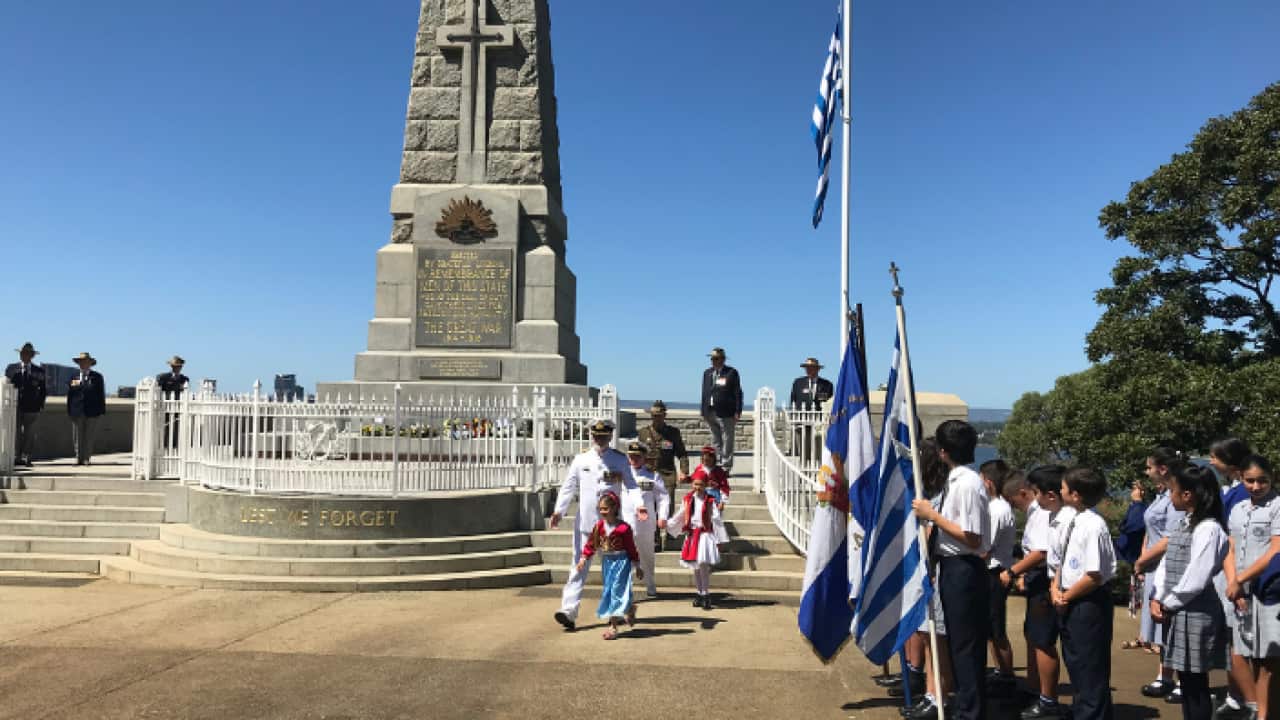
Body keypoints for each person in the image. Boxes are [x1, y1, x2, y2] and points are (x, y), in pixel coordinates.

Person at [911, 420, 989, 720]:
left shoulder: (967, 484)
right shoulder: (956, 482)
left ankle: (971, 711)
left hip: (964, 568)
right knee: (959, 643)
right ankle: (966, 706)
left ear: (943, 452)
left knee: (966, 647)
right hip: (951, 566)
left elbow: (971, 537)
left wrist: (933, 516)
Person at [1152, 465, 1230, 720]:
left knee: (1196, 683)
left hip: (1195, 611)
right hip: (1178, 608)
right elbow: (1167, 563)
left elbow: (1197, 576)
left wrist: (1168, 603)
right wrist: (1158, 596)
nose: (1170, 495)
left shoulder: (1209, 528)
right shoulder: (1185, 523)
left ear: (1187, 495)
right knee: (1187, 682)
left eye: (1173, 490)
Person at [549, 418, 637, 631]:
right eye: (596, 436)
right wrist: (559, 511)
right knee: (578, 566)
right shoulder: (581, 459)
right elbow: (568, 486)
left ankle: (618, 610)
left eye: (604, 436)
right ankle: (568, 610)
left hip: (612, 527)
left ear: (610, 436)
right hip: (587, 524)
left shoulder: (619, 460)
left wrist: (639, 508)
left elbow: (632, 487)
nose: (600, 439)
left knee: (616, 573)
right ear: (591, 436)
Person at [1052, 467, 1118, 720]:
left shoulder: (1094, 525)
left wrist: (1066, 597)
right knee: (1076, 662)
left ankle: (1092, 713)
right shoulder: (1074, 518)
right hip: (1069, 596)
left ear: (1076, 495)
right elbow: (1062, 560)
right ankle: (1080, 710)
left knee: (1090, 665)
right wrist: (1056, 587)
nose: (1060, 491)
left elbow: (1094, 575)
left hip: (1087, 600)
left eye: (1064, 488)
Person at [1005, 465, 1068, 719]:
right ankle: (1035, 690)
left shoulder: (1041, 514)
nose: (1013, 507)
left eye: (1013, 501)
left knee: (1042, 640)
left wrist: (1012, 571)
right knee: (1033, 635)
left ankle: (1047, 698)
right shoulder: (1038, 513)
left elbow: (1041, 552)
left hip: (1044, 578)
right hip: (1037, 577)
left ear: (1024, 493)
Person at [1224, 454, 1280, 720]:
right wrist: (1234, 583)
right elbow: (1230, 547)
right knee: (1243, 652)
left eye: (1262, 481)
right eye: (1250, 481)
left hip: (1268, 591)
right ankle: (1255, 706)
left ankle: (1263, 714)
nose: (1256, 487)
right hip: (1241, 592)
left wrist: (1240, 579)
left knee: (1267, 659)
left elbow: (1274, 550)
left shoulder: (1278, 506)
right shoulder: (1238, 509)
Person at [1135, 447, 1186, 699]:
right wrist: (1144, 555)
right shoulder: (1162, 494)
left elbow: (1171, 536)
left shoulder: (1176, 496)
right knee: (1161, 625)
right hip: (1154, 565)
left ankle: (1183, 681)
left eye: (1149, 467)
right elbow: (1151, 529)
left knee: (1174, 623)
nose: (1147, 472)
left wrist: (1143, 559)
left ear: (1162, 469)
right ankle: (1164, 675)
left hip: (1169, 565)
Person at [1212, 437, 1255, 717]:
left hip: (1236, 572)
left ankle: (1252, 702)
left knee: (1237, 640)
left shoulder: (1242, 494)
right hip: (1227, 570)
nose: (1211, 461)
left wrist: (1236, 580)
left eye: (1215, 457)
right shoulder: (1232, 490)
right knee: (1232, 638)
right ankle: (1235, 695)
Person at [575, 490, 643, 640]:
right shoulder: (599, 527)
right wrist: (583, 559)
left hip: (622, 562)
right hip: (607, 562)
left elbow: (631, 548)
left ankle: (613, 627)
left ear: (614, 508)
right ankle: (630, 608)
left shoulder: (624, 528)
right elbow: (591, 544)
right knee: (610, 590)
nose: (602, 512)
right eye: (600, 509)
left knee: (616, 592)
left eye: (605, 509)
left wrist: (637, 565)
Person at [666, 472, 728, 609]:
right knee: (695, 566)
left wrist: (721, 539)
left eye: (700, 484)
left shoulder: (710, 500)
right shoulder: (688, 499)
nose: (697, 487)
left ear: (706, 485)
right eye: (695, 484)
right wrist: (669, 523)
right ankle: (699, 593)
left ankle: (706, 594)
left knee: (703, 565)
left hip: (705, 535)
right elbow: (681, 514)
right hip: (692, 535)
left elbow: (716, 520)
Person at [980, 460, 1017, 694]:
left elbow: (985, 548)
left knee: (996, 628)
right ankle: (1000, 671)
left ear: (989, 482)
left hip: (994, 572)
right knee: (990, 629)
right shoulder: (996, 507)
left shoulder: (997, 510)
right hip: (992, 570)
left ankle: (1006, 674)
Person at [637, 400, 689, 537]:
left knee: (667, 506)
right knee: (651, 506)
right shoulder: (643, 433)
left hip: (667, 474)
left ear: (664, 416)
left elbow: (682, 453)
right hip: (649, 474)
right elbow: (637, 455)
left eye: (659, 415)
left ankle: (670, 533)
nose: (656, 418)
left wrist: (684, 471)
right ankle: (655, 538)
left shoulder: (673, 433)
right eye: (654, 415)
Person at [625, 440, 669, 598]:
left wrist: (662, 516)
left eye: (638, 456)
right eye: (631, 456)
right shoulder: (622, 474)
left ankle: (650, 583)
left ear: (644, 458)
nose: (634, 459)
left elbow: (663, 497)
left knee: (647, 555)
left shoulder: (652, 475)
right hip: (625, 523)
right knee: (625, 557)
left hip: (645, 524)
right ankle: (625, 590)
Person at [4, 342, 47, 467]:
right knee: (15, 432)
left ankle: (26, 456)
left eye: (28, 353)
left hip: (32, 407)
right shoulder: (12, 368)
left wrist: (40, 405)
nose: (25, 356)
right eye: (23, 353)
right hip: (14, 406)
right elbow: (6, 385)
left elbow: (43, 390)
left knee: (30, 433)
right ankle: (16, 456)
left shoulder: (39, 371)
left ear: (32, 356)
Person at [699, 347, 742, 473]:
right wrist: (703, 410)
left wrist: (738, 411)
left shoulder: (731, 372)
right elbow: (704, 392)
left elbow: (737, 392)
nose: (713, 361)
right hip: (710, 411)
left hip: (726, 412)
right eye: (712, 358)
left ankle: (726, 466)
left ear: (722, 359)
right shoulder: (707, 373)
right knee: (715, 439)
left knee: (727, 439)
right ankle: (716, 463)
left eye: (716, 358)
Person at [66, 352, 106, 466]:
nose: (83, 364)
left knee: (89, 436)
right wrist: (69, 409)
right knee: (77, 436)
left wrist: (101, 410)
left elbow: (100, 395)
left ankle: (86, 458)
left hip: (92, 411)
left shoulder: (97, 377)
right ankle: (78, 458)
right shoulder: (73, 377)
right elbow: (71, 394)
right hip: (77, 410)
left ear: (90, 364)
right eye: (81, 362)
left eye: (86, 362)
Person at [156, 356, 189, 449]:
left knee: (177, 427)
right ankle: (164, 445)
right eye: (174, 366)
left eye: (178, 366)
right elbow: (159, 389)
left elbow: (185, 390)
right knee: (164, 427)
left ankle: (175, 445)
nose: (176, 368)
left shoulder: (184, 379)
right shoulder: (163, 377)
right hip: (165, 406)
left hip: (179, 407)